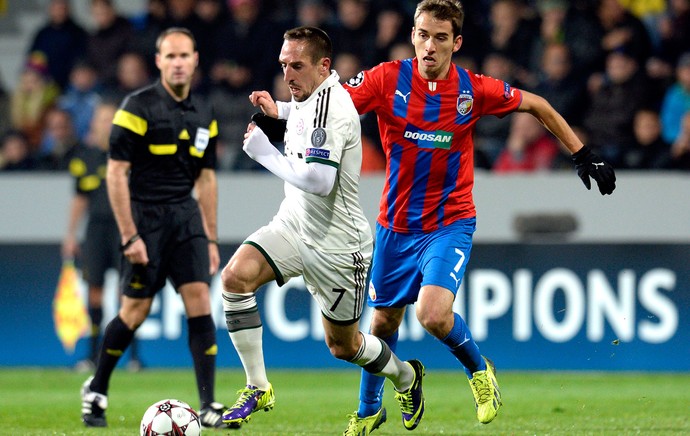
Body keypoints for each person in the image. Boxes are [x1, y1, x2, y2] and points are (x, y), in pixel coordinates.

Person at [336, 0, 616, 433]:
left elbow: (537, 104)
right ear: (412, 35)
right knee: (382, 322)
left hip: (450, 222)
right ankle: (372, 406)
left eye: (441, 37)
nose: (430, 46)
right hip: (395, 225)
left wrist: (582, 154)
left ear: (456, 42)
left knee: (432, 315)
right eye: (423, 35)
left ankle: (479, 370)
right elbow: (332, 107)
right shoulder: (384, 79)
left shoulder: (472, 89)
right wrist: (285, 118)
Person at [218, 26, 425, 432]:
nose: (288, 74)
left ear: (324, 66)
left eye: (297, 66)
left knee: (343, 347)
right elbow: (304, 112)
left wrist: (265, 154)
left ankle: (407, 377)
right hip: (294, 225)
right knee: (235, 277)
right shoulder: (312, 97)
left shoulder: (335, 108)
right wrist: (278, 110)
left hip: (339, 247)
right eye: (283, 66)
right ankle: (258, 386)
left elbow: (319, 181)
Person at [79, 27, 229, 429]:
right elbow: (115, 174)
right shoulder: (136, 107)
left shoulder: (205, 112)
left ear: (195, 59)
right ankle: (96, 387)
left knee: (199, 299)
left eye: (185, 56)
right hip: (144, 218)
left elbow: (208, 179)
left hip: (186, 217)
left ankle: (209, 404)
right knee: (135, 310)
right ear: (159, 62)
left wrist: (211, 237)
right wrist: (129, 235)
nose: (178, 63)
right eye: (171, 56)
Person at [62, 102, 143, 372]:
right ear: (94, 124)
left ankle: (132, 357)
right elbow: (79, 199)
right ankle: (93, 354)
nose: (105, 124)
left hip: (125, 229)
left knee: (128, 293)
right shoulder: (84, 158)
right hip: (96, 230)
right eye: (101, 120)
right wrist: (71, 234)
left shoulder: (131, 155)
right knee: (94, 291)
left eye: (111, 119)